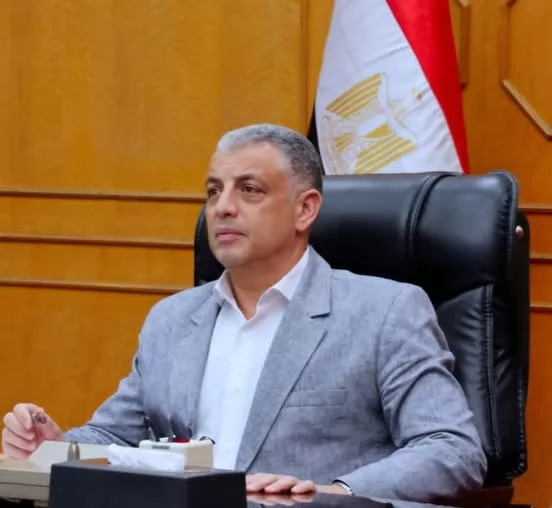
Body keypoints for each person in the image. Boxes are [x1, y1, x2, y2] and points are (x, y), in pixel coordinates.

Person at [1, 123, 487, 502]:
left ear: (305, 209)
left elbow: (452, 448)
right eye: (214, 191)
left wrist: (336, 493)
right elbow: (115, 435)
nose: (223, 208)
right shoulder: (172, 319)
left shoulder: (383, 312)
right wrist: (55, 445)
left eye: (249, 190)